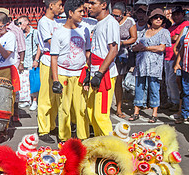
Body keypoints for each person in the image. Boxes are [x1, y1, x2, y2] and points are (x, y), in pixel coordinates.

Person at [51, 0, 90, 142]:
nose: (82, 14)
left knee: (81, 108)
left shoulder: (84, 30)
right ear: (70, 13)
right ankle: (64, 138)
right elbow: (54, 58)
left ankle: (83, 137)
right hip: (63, 74)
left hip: (80, 74)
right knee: (64, 108)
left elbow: (87, 53)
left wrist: (88, 74)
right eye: (80, 11)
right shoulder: (58, 33)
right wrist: (55, 81)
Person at [129, 8, 171, 124]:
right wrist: (137, 48)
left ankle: (154, 113)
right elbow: (135, 45)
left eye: (161, 18)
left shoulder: (164, 32)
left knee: (153, 87)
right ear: (151, 19)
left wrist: (146, 48)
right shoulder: (144, 31)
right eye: (156, 17)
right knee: (139, 86)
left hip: (155, 65)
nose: (158, 19)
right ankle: (136, 111)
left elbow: (162, 47)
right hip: (141, 63)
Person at [86, 0, 120, 136]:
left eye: (93, 3)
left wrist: (99, 74)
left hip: (104, 74)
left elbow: (113, 50)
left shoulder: (110, 22)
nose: (89, 6)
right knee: (91, 112)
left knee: (101, 114)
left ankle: (113, 148)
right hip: (95, 71)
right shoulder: (98, 23)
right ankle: (101, 144)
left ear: (104, 5)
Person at [36, 0, 63, 143]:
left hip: (57, 61)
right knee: (45, 96)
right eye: (59, 4)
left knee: (55, 97)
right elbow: (51, 42)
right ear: (51, 5)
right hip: (48, 60)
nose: (61, 7)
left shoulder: (57, 22)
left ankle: (52, 125)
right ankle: (43, 129)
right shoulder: (44, 22)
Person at [162, 6, 189, 112]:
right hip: (167, 55)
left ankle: (175, 102)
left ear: (183, 15)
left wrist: (170, 37)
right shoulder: (173, 26)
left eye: (178, 14)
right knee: (167, 81)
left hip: (176, 57)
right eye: (174, 14)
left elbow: (175, 38)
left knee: (172, 80)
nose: (176, 16)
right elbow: (168, 37)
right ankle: (170, 100)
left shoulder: (186, 25)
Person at [111, 2, 136, 119]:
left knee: (118, 81)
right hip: (110, 53)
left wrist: (122, 42)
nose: (115, 18)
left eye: (118, 16)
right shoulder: (110, 21)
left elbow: (133, 38)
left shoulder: (130, 21)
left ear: (123, 14)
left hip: (122, 54)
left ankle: (119, 108)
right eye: (113, 15)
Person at [18, 16, 39, 110]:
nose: (19, 25)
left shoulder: (35, 33)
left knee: (33, 81)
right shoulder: (20, 34)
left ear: (26, 22)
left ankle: (34, 101)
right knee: (25, 82)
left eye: (20, 23)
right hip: (24, 61)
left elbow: (39, 47)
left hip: (32, 60)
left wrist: (36, 60)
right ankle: (27, 100)